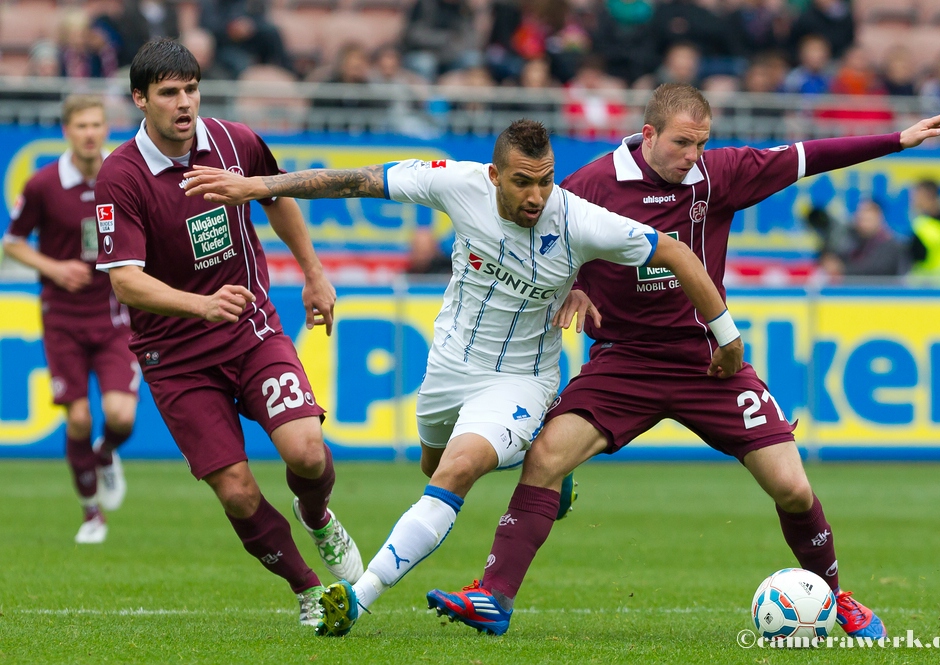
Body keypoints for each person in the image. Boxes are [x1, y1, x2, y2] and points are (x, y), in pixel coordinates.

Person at [426, 84, 940, 639]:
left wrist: (898, 140)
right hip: (624, 363)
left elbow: (808, 156)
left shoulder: (718, 174)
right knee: (543, 460)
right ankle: (493, 596)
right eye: (683, 143)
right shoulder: (588, 186)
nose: (693, 156)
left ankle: (835, 594)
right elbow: (544, 244)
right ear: (650, 135)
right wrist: (576, 286)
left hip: (709, 364)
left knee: (794, 489)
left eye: (701, 144)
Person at [181, 118, 744, 637]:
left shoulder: (574, 217)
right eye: (523, 183)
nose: (536, 197)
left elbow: (674, 252)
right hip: (448, 369)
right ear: (495, 175)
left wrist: (727, 336)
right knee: (433, 463)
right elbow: (353, 180)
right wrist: (262, 187)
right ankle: (541, 459)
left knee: (456, 468)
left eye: (545, 182)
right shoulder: (457, 183)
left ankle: (358, 596)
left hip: (521, 379)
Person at [92, 39, 362, 627]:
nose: (184, 103)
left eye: (191, 89)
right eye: (168, 93)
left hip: (252, 332)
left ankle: (318, 517)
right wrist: (200, 305)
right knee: (238, 492)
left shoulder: (234, 142)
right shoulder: (121, 177)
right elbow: (127, 284)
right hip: (176, 357)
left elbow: (279, 194)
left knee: (308, 454)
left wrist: (314, 274)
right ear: (140, 99)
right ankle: (310, 590)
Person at [2, 95, 137, 545]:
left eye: (97, 124)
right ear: (67, 131)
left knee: (120, 416)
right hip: (62, 316)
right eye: (81, 125)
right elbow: (13, 242)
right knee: (78, 418)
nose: (90, 133)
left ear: (105, 129)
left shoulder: (121, 178)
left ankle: (104, 454)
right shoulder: (43, 185)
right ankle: (91, 514)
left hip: (114, 313)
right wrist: (54, 268)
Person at [816, 199, 909, 278]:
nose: (864, 224)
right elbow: (837, 255)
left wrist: (841, 269)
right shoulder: (854, 238)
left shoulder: (890, 244)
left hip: (884, 295)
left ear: (879, 219)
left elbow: (874, 269)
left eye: (868, 220)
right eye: (861, 219)